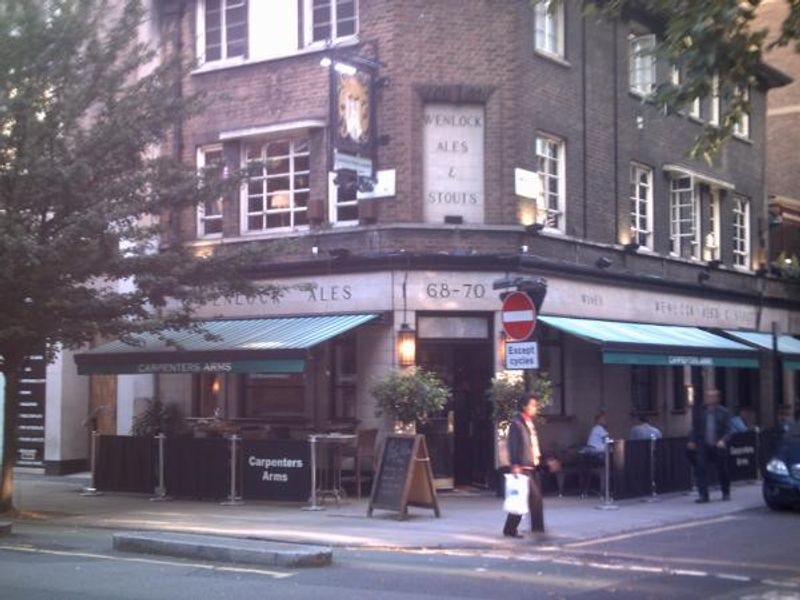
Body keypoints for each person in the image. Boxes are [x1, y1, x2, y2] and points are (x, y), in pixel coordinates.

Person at [502, 393, 545, 538]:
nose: (535, 408)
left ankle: (512, 529)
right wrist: (515, 464)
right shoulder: (517, 423)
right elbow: (513, 444)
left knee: (525, 498)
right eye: (532, 405)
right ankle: (536, 529)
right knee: (533, 497)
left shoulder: (529, 422)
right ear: (524, 406)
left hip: (531, 465)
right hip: (522, 466)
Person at [688, 389, 732, 503]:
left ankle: (725, 492)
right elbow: (695, 428)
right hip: (703, 445)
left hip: (718, 446)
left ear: (717, 398)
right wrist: (692, 441)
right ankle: (703, 495)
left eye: (712, 397)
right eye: (707, 397)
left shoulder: (724, 412)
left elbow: (729, 430)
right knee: (701, 469)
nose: (709, 399)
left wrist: (723, 440)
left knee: (722, 470)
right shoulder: (701, 412)